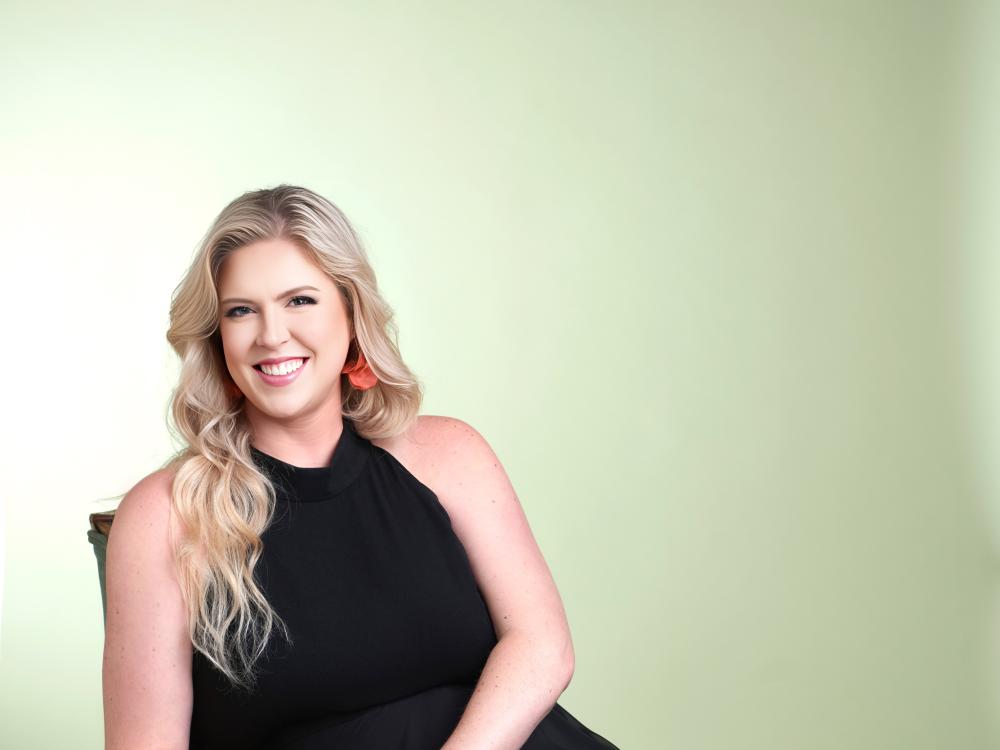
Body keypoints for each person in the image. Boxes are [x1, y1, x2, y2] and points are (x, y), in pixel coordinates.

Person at [102, 184, 619, 749]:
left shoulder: (451, 457)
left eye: (300, 300)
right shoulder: (163, 515)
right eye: (242, 311)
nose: (273, 335)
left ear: (350, 315)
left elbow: (541, 645)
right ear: (217, 335)